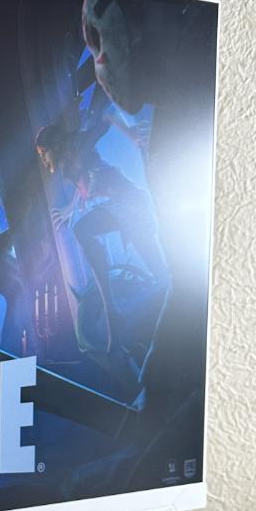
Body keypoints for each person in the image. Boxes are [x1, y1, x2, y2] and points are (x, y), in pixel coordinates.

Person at [35, 122, 169, 353]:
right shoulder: (71, 168)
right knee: (162, 276)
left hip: (132, 204)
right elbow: (83, 187)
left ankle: (112, 309)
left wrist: (131, 133)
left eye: (43, 153)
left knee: (83, 229)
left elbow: (105, 117)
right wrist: (69, 208)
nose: (43, 160)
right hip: (129, 211)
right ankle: (146, 318)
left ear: (54, 146)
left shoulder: (79, 144)